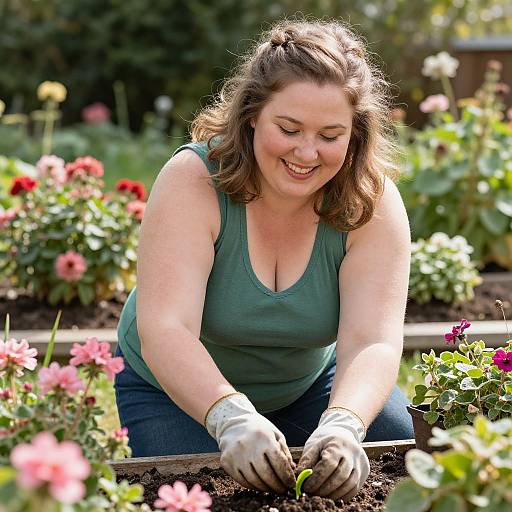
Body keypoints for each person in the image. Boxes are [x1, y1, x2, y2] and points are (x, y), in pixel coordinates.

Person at [114, 18, 414, 502]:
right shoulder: (194, 180)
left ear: (354, 134)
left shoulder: (370, 202)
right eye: (289, 128)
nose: (306, 152)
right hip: (171, 391)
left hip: (307, 385)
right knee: (194, 492)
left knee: (390, 447)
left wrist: (344, 423)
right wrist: (227, 414)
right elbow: (165, 328)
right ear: (252, 114)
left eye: (330, 134)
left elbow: (373, 340)